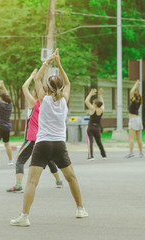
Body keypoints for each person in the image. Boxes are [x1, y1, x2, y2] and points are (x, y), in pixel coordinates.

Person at [10, 49, 88, 227]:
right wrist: (59, 63)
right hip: (59, 145)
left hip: (43, 143)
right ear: (60, 88)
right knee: (72, 178)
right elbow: (67, 83)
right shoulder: (64, 100)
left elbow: (37, 79)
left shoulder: (43, 100)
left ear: (47, 88)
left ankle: (24, 216)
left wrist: (48, 61)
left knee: (32, 181)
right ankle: (80, 209)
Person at [7, 69, 63, 193]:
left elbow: (24, 87)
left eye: (34, 91)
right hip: (41, 138)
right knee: (48, 160)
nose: (32, 92)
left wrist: (32, 76)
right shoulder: (45, 103)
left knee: (19, 160)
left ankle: (18, 185)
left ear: (36, 93)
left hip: (31, 138)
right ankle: (59, 180)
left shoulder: (34, 103)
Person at [84, 88, 106, 161]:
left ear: (96, 105)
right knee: (99, 142)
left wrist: (90, 93)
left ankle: (91, 156)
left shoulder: (93, 109)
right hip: (97, 128)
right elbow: (102, 103)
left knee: (90, 142)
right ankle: (104, 155)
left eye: (93, 103)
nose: (92, 104)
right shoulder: (101, 110)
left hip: (90, 127)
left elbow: (86, 101)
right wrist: (100, 95)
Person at [125, 80, 143, 158]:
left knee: (131, 137)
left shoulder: (133, 102)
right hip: (138, 119)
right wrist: (138, 87)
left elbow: (131, 92)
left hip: (133, 120)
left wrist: (135, 85)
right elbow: (138, 94)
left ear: (134, 98)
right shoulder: (139, 102)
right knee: (139, 138)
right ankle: (141, 153)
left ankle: (131, 152)